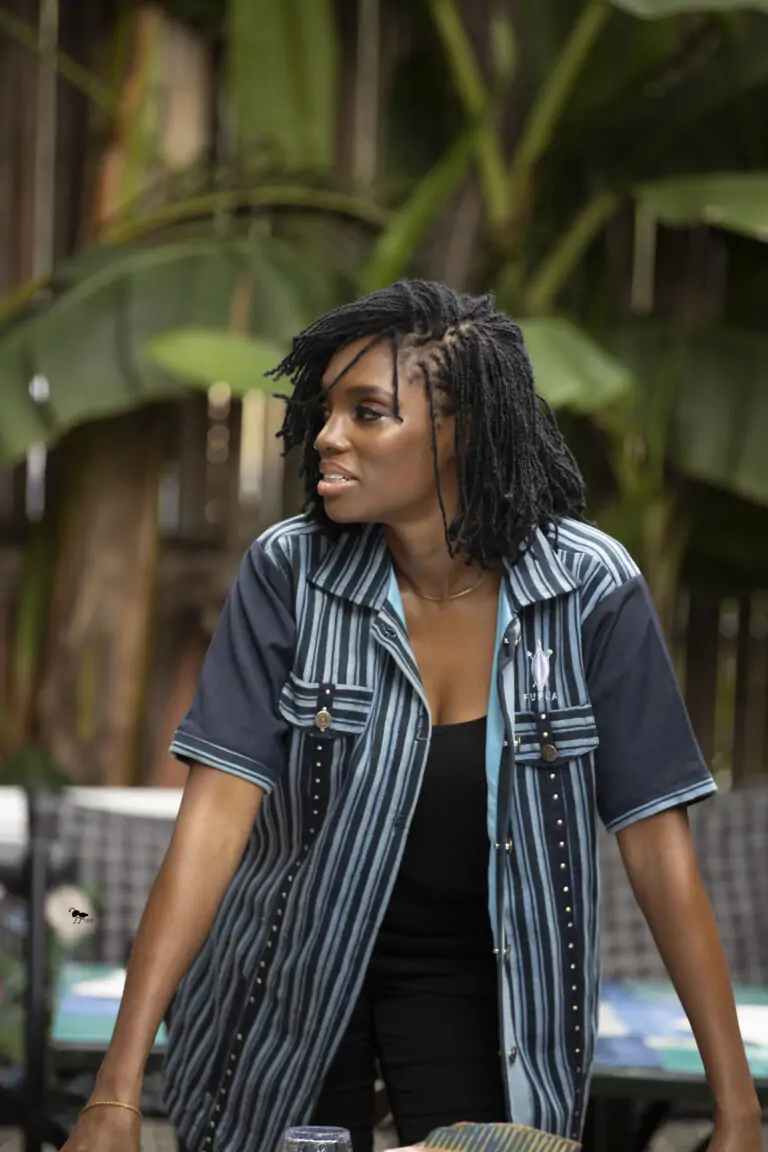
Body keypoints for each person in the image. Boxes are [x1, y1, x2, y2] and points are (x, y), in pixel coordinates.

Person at [61, 281, 762, 1152]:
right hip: (285, 991)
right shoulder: (291, 574)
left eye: (368, 413)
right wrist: (117, 1090)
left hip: (487, 1005)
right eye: (327, 410)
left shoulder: (588, 590)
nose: (327, 435)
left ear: (459, 430)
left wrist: (738, 1111)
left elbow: (658, 852)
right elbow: (212, 827)